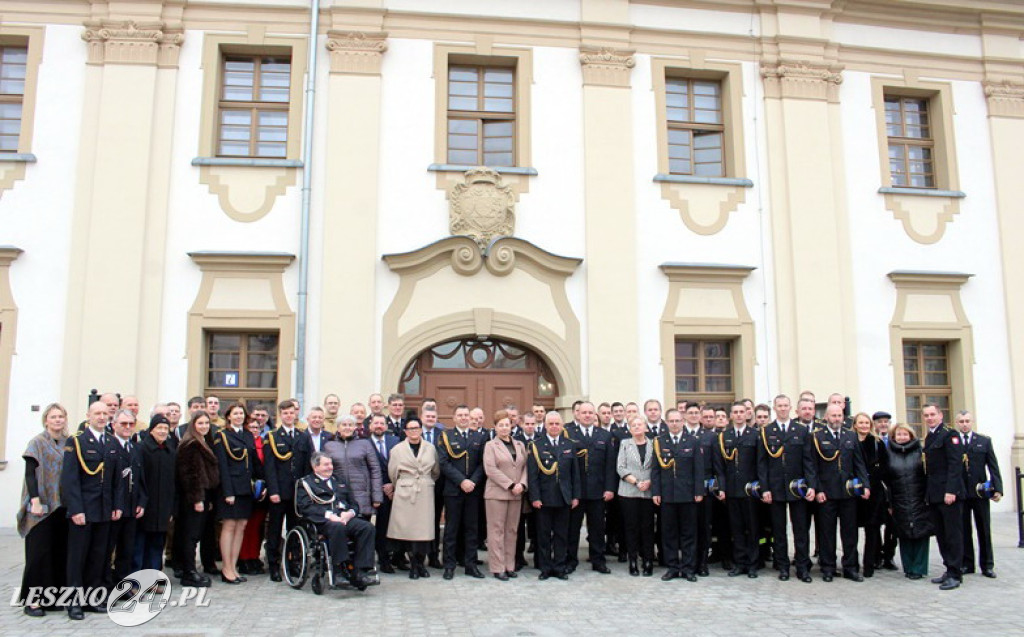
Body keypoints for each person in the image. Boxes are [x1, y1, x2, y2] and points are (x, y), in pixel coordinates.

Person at [62, 400, 125, 620]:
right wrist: (76, 509)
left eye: (105, 413)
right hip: (84, 510)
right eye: (97, 413)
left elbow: (117, 479)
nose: (101, 417)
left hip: (104, 509)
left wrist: (117, 505)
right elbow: (70, 479)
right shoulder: (76, 441)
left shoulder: (111, 441)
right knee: (77, 557)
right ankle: (73, 601)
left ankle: (92, 598)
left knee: (99, 556)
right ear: (88, 415)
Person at [17, 403, 70, 617]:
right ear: (46, 420)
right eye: (53, 417)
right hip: (41, 505)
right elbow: (30, 473)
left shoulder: (68, 443)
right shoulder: (37, 442)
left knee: (57, 551)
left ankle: (51, 597)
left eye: (61, 416)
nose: (58, 420)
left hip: (62, 505)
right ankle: (33, 601)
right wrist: (35, 500)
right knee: (38, 553)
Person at [296, 453, 377, 589]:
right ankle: (339, 570)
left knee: (367, 527)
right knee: (337, 527)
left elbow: (354, 504)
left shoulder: (339, 480)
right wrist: (329, 515)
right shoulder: (306, 483)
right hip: (322, 522)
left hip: (344, 518)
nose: (330, 467)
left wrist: (350, 513)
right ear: (315, 467)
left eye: (331, 464)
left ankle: (361, 571)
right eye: (326, 464)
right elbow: (306, 507)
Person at [811, 404, 871, 582]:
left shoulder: (850, 436)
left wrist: (865, 485)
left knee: (850, 532)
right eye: (833, 416)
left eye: (839, 416)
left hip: (848, 492)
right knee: (827, 533)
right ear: (826, 417)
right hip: (827, 493)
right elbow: (813, 467)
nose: (837, 419)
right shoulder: (817, 437)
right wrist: (818, 489)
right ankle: (828, 568)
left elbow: (859, 463)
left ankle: (850, 568)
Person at [652, 409, 704, 582]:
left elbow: (698, 469)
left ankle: (688, 568)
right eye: (671, 421)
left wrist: (698, 491)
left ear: (683, 421)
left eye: (677, 421)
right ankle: (673, 567)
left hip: (688, 495)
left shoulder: (693, 441)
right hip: (667, 495)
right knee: (669, 533)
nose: (674, 424)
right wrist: (656, 492)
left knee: (689, 533)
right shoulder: (659, 442)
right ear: (666, 422)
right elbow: (655, 470)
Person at [564, 401, 616, 574]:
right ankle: (570, 560)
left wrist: (609, 488)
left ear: (595, 415)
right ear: (578, 415)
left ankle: (598, 561)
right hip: (576, 492)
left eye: (590, 413)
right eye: (584, 412)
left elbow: (610, 465)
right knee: (572, 529)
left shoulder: (604, 435)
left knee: (597, 529)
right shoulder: (569, 434)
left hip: (598, 491)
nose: (587, 415)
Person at [528, 411, 581, 580]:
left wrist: (575, 496)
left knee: (561, 535)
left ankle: (559, 567)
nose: (554, 426)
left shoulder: (569, 444)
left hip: (564, 497)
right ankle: (545, 567)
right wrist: (535, 497)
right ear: (545, 425)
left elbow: (575, 474)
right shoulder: (536, 445)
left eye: (557, 423)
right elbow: (532, 475)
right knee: (543, 536)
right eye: (551, 424)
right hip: (544, 498)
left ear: (562, 425)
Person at [386, 418, 441, 579]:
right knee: (408, 530)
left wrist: (425, 481)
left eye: (416, 428)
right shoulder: (397, 449)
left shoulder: (430, 448)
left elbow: (435, 471)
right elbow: (393, 473)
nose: (414, 431)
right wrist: (403, 484)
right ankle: (413, 565)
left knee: (423, 531)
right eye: (410, 429)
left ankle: (421, 564)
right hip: (405, 491)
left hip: (424, 491)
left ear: (421, 429)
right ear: (405, 431)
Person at [437, 404, 486, 580]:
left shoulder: (479, 437)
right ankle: (449, 566)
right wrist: (462, 481)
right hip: (453, 490)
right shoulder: (446, 436)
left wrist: (472, 481)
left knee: (472, 529)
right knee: (451, 529)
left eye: (466, 415)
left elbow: (483, 463)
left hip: (473, 490)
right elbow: (443, 463)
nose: (464, 418)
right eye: (460, 415)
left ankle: (471, 565)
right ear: (454, 418)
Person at [263, 399, 309, 582]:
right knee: (274, 530)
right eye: (285, 413)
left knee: (295, 529)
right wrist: (273, 490)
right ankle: (273, 565)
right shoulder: (272, 437)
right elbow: (269, 468)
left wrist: (305, 492)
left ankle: (293, 563)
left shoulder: (302, 436)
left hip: (297, 493)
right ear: (280, 415)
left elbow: (306, 467)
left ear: (296, 414)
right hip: (279, 492)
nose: (289, 416)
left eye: (291, 412)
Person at [713, 401, 760, 578]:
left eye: (742, 412)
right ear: (731, 416)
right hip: (732, 490)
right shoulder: (724, 436)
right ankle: (740, 563)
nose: (739, 415)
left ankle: (753, 563)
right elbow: (720, 466)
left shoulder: (755, 435)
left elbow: (760, 463)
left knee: (752, 528)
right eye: (736, 412)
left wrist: (759, 486)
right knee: (736, 528)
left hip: (750, 490)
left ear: (747, 414)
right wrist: (722, 487)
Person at [214, 402, 259, 584]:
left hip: (245, 488)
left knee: (241, 526)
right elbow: (222, 466)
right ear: (228, 416)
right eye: (235, 413)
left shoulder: (247, 435)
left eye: (241, 413)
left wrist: (262, 483)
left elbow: (253, 462)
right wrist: (228, 492)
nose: (239, 416)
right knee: (230, 525)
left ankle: (234, 566)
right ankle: (226, 568)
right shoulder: (222, 436)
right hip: (231, 488)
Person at [922, 403, 966, 590]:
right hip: (935, 494)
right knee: (941, 534)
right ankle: (949, 568)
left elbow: (955, 465)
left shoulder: (950, 435)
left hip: (948, 494)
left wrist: (951, 490)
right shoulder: (930, 436)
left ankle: (956, 573)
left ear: (940, 415)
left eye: (933, 414)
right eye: (926, 415)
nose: (929, 418)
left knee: (952, 534)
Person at [881, 422, 933, 580]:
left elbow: (928, 474)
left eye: (905, 434)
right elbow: (885, 480)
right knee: (903, 533)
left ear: (911, 436)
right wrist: (889, 502)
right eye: (899, 434)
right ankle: (908, 567)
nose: (902, 437)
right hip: (899, 498)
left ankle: (919, 567)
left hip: (919, 497)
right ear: (893, 436)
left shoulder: (920, 452)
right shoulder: (888, 453)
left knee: (921, 533)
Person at [956, 410, 1002, 578]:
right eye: (961, 421)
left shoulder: (984, 441)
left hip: (980, 492)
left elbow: (993, 466)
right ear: (957, 423)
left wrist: (997, 489)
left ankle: (987, 565)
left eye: (967, 421)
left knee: (984, 528)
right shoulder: (953, 441)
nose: (964, 424)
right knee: (963, 529)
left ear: (972, 422)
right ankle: (967, 564)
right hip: (961, 492)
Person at [175, 413, 219, 588]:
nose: (204, 426)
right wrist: (197, 499)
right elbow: (190, 475)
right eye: (200, 423)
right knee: (190, 536)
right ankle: (189, 572)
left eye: (207, 423)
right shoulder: (190, 444)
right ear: (193, 425)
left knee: (196, 534)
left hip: (205, 494)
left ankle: (191, 569)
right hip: (194, 497)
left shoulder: (204, 441)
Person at [483, 410, 528, 581]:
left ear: (511, 426)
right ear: (495, 427)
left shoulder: (519, 445)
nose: (504, 428)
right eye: (500, 425)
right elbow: (490, 469)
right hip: (497, 493)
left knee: (512, 530)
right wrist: (510, 484)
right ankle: (497, 567)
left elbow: (525, 467)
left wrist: (522, 484)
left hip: (516, 493)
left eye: (507, 425)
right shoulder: (490, 446)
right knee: (497, 531)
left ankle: (510, 565)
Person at [107, 409, 147, 587]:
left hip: (131, 507)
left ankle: (122, 583)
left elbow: (141, 478)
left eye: (131, 424)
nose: (127, 427)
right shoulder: (109, 446)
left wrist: (142, 502)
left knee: (127, 549)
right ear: (114, 425)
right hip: (114, 508)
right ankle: (106, 584)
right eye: (123, 423)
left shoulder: (136, 448)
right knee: (108, 549)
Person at [134, 414, 176, 572]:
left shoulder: (170, 452)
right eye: (159, 428)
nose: (163, 431)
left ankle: (153, 578)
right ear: (151, 430)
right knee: (139, 546)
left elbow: (173, 483)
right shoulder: (141, 449)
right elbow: (138, 480)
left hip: (163, 509)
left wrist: (172, 508)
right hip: (145, 507)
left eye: (166, 428)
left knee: (157, 546)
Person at [617, 416, 655, 576]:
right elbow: (620, 467)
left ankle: (647, 560)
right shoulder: (625, 444)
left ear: (646, 427)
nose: (637, 427)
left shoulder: (654, 444)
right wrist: (636, 482)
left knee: (647, 527)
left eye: (640, 424)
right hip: (629, 491)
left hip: (648, 491)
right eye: (634, 425)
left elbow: (657, 466)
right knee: (631, 527)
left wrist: (649, 481)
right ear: (630, 429)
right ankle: (632, 561)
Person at [853, 412, 887, 578]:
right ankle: (852, 563)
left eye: (867, 423)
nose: (864, 425)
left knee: (872, 529)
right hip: (853, 491)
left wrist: (871, 482)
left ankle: (870, 563)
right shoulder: (849, 441)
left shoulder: (877, 443)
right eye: (861, 423)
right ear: (855, 425)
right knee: (851, 530)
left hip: (874, 492)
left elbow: (884, 466)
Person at [368, 413, 401, 572]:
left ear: (386, 426)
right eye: (376, 423)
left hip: (394, 490)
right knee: (377, 527)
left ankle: (394, 557)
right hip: (373, 490)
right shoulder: (364, 443)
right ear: (370, 426)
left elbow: (401, 464)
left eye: (382, 423)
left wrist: (393, 484)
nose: (379, 426)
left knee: (391, 525)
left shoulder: (395, 441)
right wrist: (380, 486)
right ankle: (379, 558)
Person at [238, 415, 268, 575]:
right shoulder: (243, 443)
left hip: (261, 491)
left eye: (257, 427)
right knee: (245, 526)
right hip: (246, 490)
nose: (254, 430)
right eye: (251, 428)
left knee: (257, 526)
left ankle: (254, 557)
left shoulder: (265, 444)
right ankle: (244, 558)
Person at [872, 410, 899, 571]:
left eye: (885, 422)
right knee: (875, 523)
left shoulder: (895, 440)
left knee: (892, 525)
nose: (883, 424)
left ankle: (889, 555)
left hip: (892, 487)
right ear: (874, 424)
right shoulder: (872, 441)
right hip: (877, 488)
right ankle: (876, 555)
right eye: (879, 422)